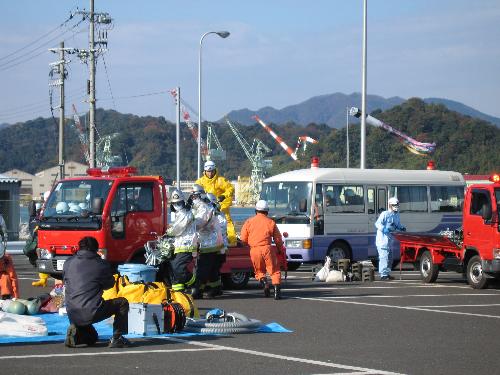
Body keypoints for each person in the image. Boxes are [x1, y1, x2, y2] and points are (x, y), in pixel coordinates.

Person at [63, 236, 131, 348]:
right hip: (91, 310)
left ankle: (77, 331)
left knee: (92, 339)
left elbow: (66, 280)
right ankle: (117, 338)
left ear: (79, 248)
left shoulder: (68, 262)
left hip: (72, 312)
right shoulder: (100, 264)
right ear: (96, 249)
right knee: (122, 303)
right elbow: (109, 285)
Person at [240, 199, 284, 300]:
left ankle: (264, 283)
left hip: (254, 250)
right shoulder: (271, 222)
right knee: (275, 270)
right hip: (267, 248)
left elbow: (243, 239)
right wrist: (280, 250)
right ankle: (277, 293)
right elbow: (278, 239)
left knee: (259, 271)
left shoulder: (249, 222)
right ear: (267, 211)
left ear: (256, 211)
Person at [189, 184, 224, 299]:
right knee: (211, 269)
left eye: (194, 195)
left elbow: (198, 224)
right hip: (209, 243)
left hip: (208, 244)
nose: (192, 198)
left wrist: (187, 224)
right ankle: (215, 288)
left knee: (203, 268)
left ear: (199, 195)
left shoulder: (205, 208)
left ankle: (198, 290)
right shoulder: (202, 208)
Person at [195, 160, 237, 246]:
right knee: (200, 223)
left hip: (220, 207)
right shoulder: (200, 182)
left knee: (227, 222)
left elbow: (230, 189)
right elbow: (195, 192)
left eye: (212, 171)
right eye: (208, 171)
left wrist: (224, 196)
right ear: (205, 171)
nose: (210, 173)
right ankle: (199, 242)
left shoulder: (221, 180)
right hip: (205, 208)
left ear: (215, 170)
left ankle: (232, 242)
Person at [164, 189, 198, 292]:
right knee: (173, 267)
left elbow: (178, 229)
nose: (176, 205)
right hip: (179, 244)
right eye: (174, 203)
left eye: (179, 203)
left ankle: (195, 282)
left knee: (178, 267)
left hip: (187, 245)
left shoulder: (185, 213)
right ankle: (178, 289)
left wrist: (168, 232)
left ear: (183, 202)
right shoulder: (180, 213)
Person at [374, 197, 406, 281]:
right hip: (382, 239)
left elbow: (397, 225)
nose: (396, 206)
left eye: (397, 205)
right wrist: (383, 229)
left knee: (390, 258)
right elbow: (377, 223)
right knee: (384, 257)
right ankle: (383, 275)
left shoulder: (396, 215)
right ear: (390, 205)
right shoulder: (385, 214)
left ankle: (387, 273)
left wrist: (401, 228)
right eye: (394, 205)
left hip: (389, 239)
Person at [206, 193, 228, 297]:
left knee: (213, 269)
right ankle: (216, 288)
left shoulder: (218, 216)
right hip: (216, 248)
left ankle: (215, 289)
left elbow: (220, 229)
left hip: (218, 248)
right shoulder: (215, 215)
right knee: (213, 269)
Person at [0, 233, 19, 299]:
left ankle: (6, 297)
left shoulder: (6, 259)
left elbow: (13, 277)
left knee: (6, 278)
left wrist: (16, 296)